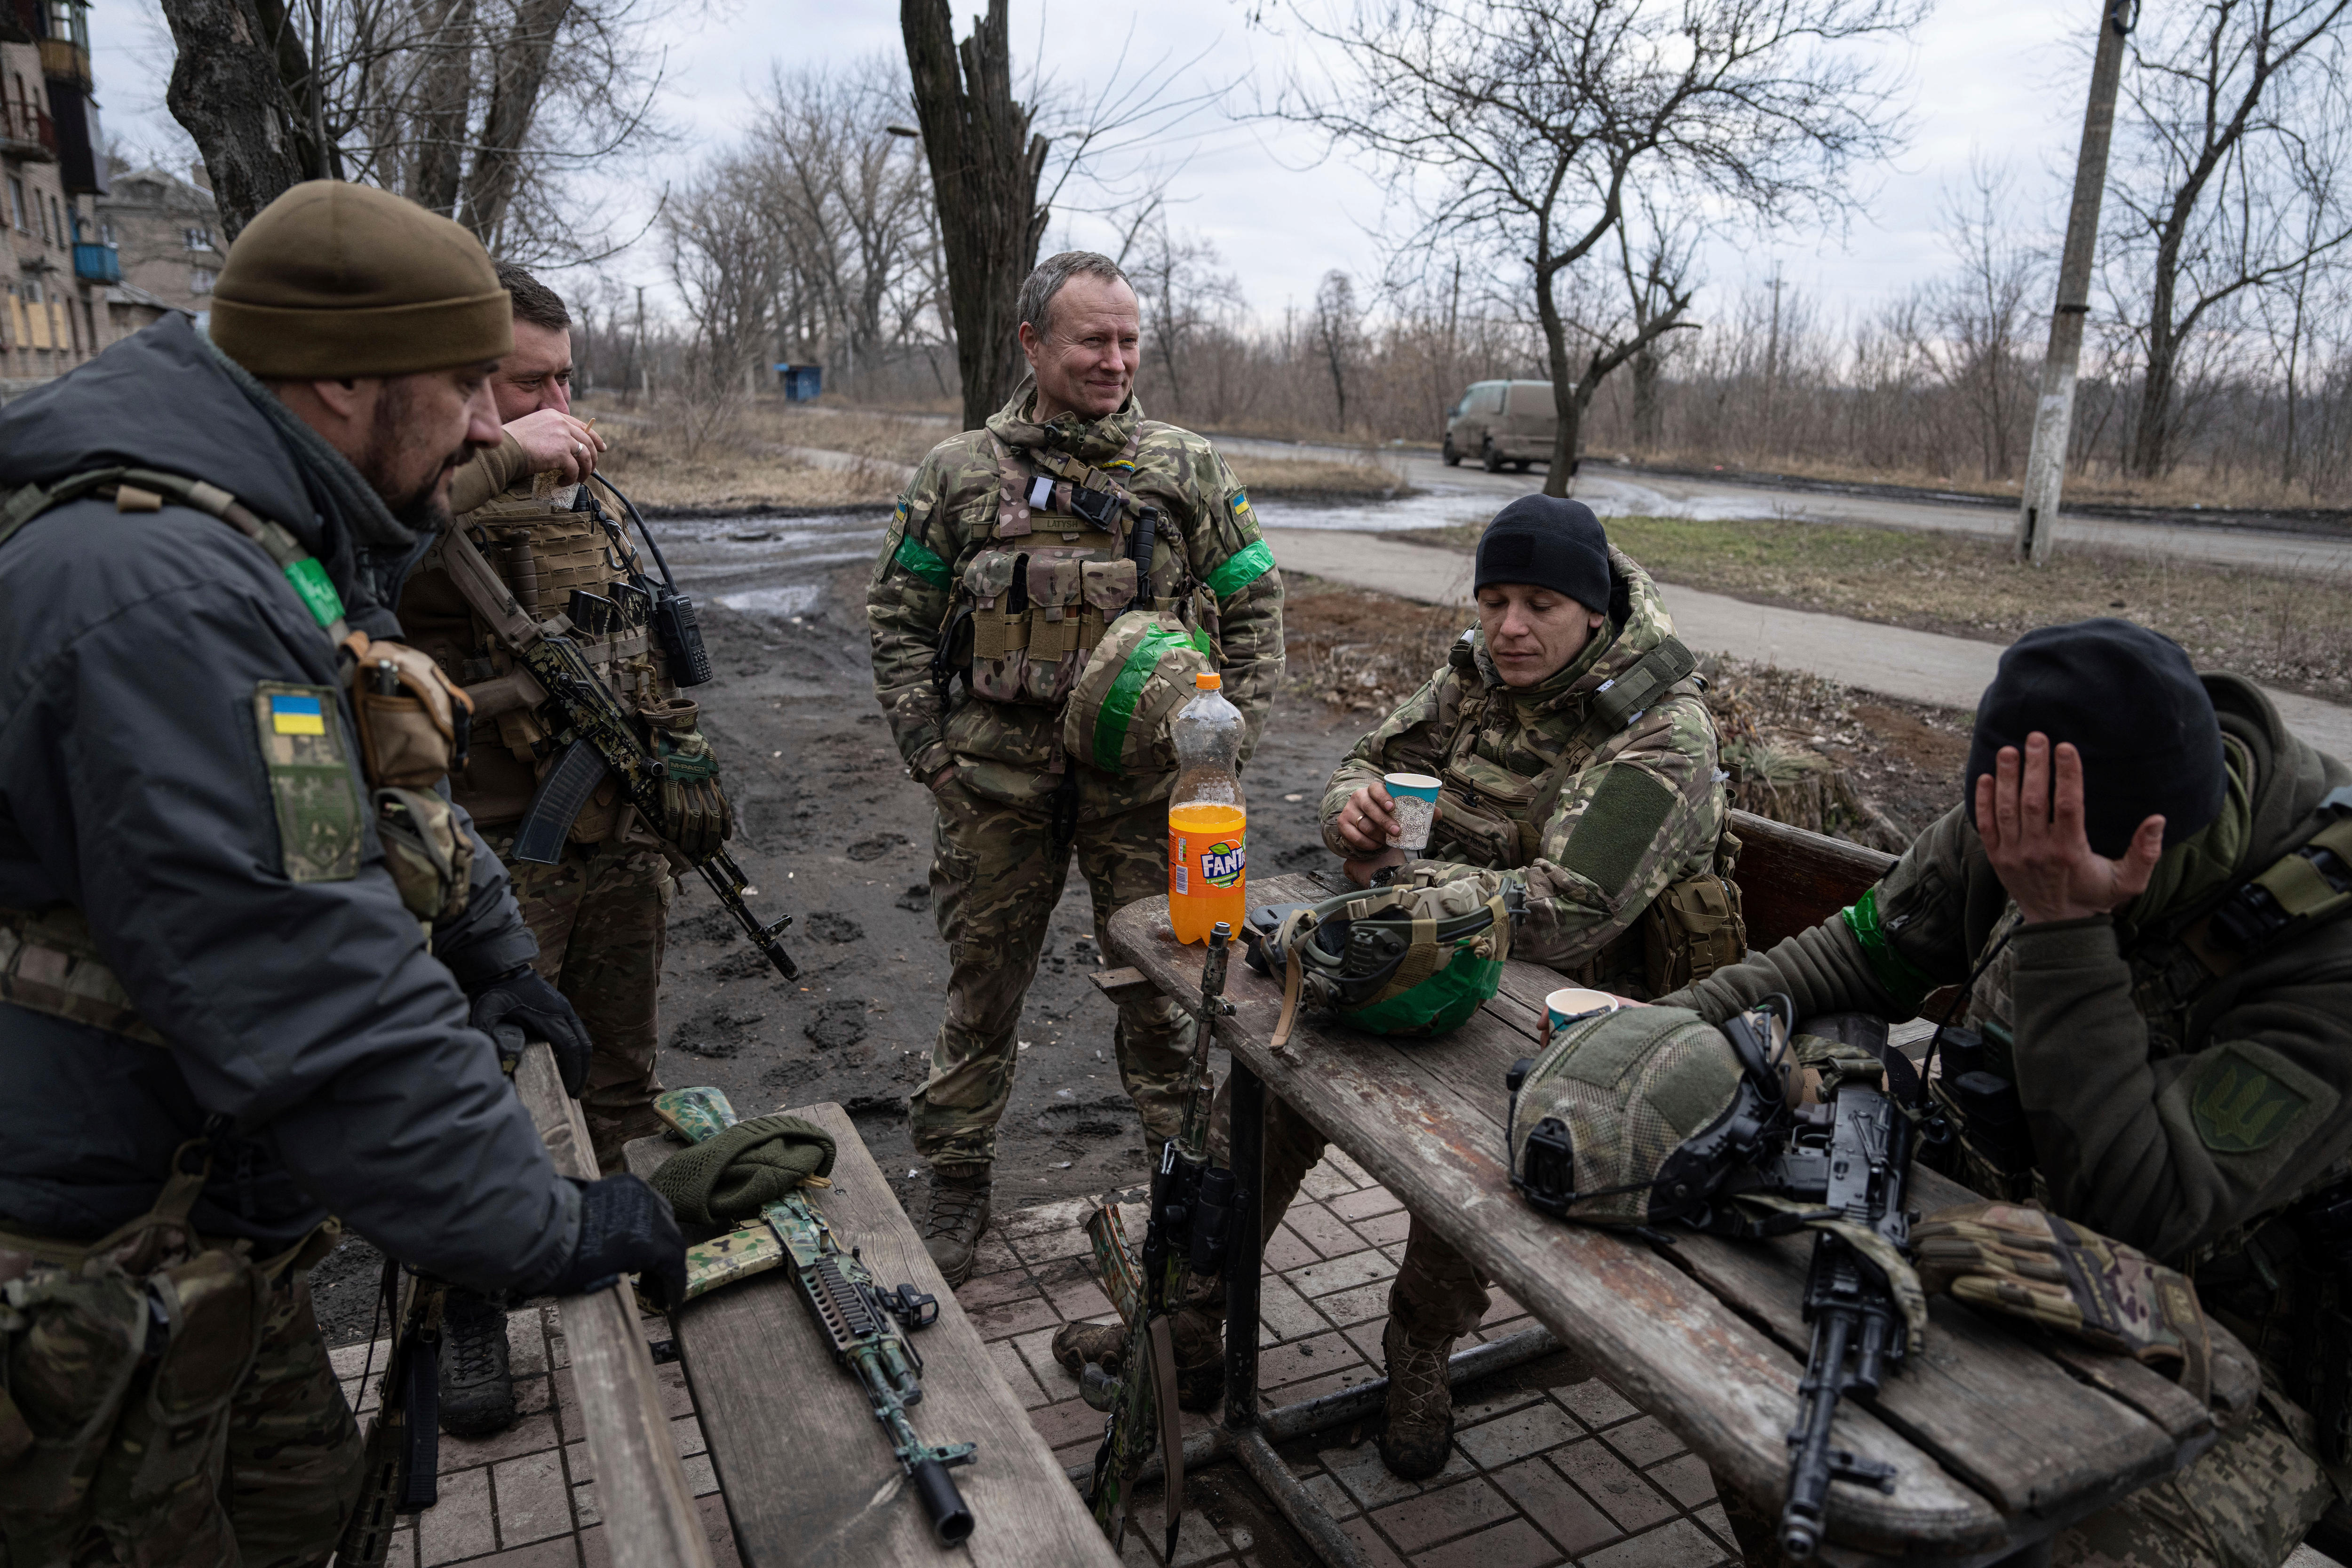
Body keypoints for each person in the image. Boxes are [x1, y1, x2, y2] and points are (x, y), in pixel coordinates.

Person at [0, 180, 685, 1567]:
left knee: (308, 1507)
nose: (494, 425)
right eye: (466, 386)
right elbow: (309, 978)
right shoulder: (165, 594)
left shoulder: (272, 534)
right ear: (338, 375)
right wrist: (536, 1222)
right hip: (79, 1256)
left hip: (204, 1229)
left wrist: (494, 942)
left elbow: (381, 774)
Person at [1057, 495, 1737, 1479]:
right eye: (1493, 598)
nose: (1507, 626)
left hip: (1569, 1018)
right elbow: (1368, 762)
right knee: (1257, 1076)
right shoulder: (1477, 676)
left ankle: (1419, 1350)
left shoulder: (1659, 729)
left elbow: (1579, 906)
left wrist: (1398, 896)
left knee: (1468, 1173)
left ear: (1593, 610)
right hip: (1436, 965)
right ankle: (1187, 1323)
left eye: (1537, 603)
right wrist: (1354, 814)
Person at [1659, 619, 2352, 1568]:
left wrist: (2063, 926)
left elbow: (2143, 1206)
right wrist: (1661, 1028)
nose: (2008, 862)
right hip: (1997, 1248)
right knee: (1759, 1414)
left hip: (2237, 1356)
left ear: (2148, 842)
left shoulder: (2327, 946)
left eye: (2040, 863)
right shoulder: (2039, 798)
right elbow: (1858, 957)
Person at [867, 250, 1284, 1284]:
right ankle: (958, 1182)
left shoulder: (1183, 466)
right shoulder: (958, 472)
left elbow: (1256, 605)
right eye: (1092, 338)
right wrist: (930, 756)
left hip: (1153, 803)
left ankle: (1178, 1203)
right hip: (991, 792)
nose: (1115, 358)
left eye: (1129, 338)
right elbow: (899, 617)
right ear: (1032, 343)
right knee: (981, 994)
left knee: (1171, 1003)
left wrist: (1224, 757)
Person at [397, 263, 706, 1436]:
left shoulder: (576, 490)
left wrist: (678, 771)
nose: (556, 402)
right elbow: (384, 556)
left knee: (620, 1066)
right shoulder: (419, 480)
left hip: (612, 830)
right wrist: (506, 452)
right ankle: (466, 1309)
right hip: (484, 852)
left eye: (566, 377)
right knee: (472, 1089)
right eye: (530, 381)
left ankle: (629, 1254)